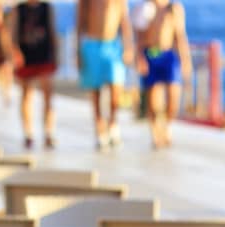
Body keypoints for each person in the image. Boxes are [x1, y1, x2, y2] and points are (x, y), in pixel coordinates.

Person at [77, 0, 134, 150]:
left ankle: (113, 123)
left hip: (113, 45)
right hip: (92, 44)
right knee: (95, 93)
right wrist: (78, 51)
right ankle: (99, 129)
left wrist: (128, 47)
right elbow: (79, 24)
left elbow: (125, 22)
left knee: (116, 89)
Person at [137, 0, 190, 149]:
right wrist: (140, 58)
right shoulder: (146, 8)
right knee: (152, 99)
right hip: (151, 54)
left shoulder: (173, 8)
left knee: (173, 96)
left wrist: (185, 60)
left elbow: (180, 35)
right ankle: (155, 132)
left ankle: (167, 126)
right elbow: (140, 37)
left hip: (168, 54)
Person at [7, 0, 59, 150]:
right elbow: (13, 34)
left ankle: (49, 132)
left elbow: (52, 32)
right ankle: (28, 133)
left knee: (48, 96)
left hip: (44, 55)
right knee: (26, 95)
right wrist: (15, 52)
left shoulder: (47, 8)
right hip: (26, 56)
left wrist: (55, 56)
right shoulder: (19, 9)